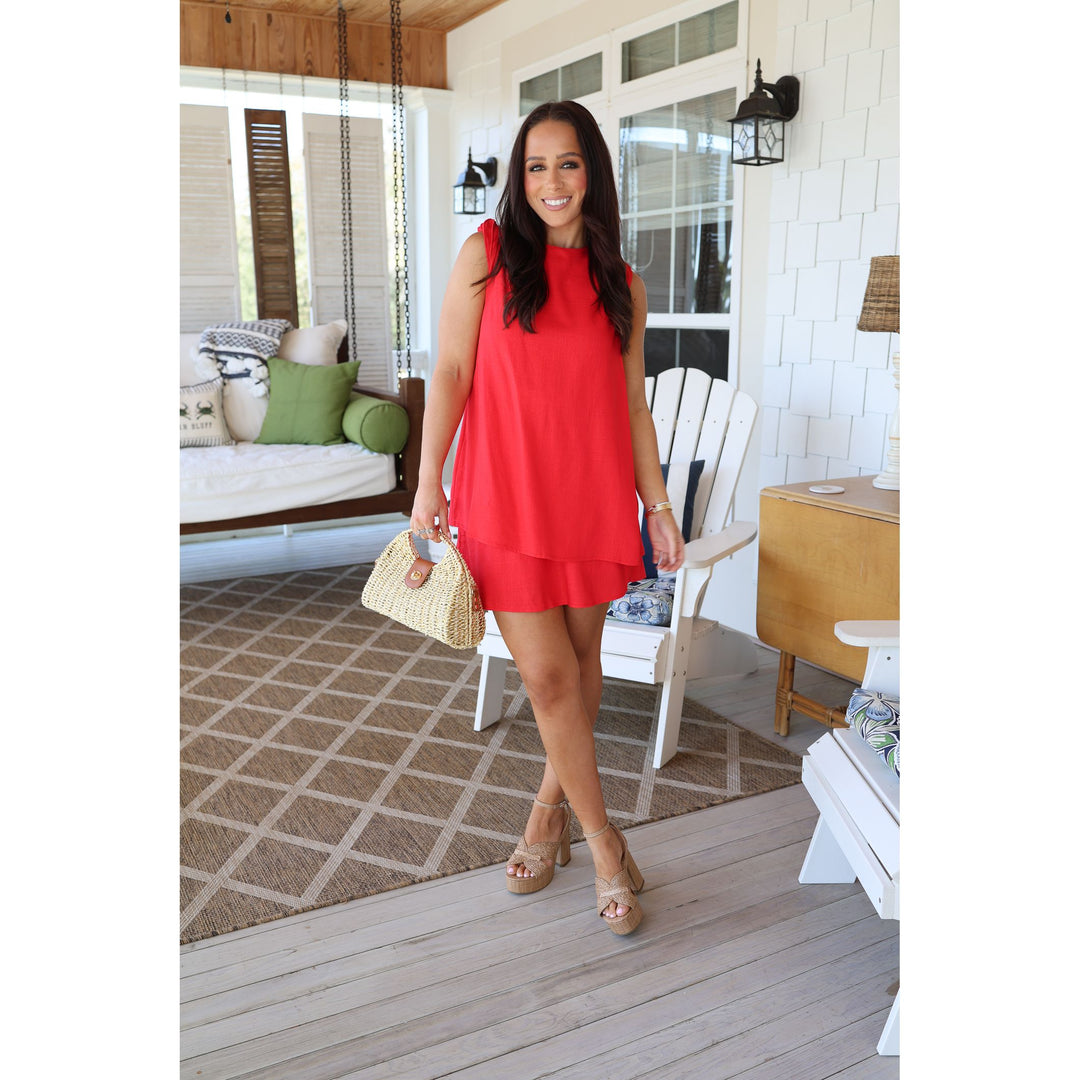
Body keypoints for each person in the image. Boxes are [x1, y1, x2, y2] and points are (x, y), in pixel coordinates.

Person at [409, 100, 685, 936]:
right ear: (519, 178)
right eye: (535, 166)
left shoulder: (622, 284)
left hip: (591, 499)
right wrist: (428, 482)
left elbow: (632, 407)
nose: (552, 182)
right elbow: (451, 371)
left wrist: (658, 506)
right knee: (547, 678)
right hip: (504, 497)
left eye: (567, 164)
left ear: (592, 171)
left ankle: (545, 817)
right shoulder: (488, 254)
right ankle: (607, 849)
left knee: (582, 665)